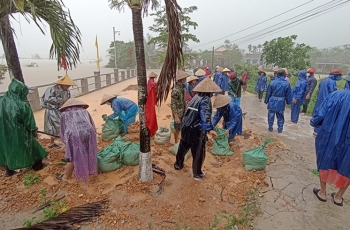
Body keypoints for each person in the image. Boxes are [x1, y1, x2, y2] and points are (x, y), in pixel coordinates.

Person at [0, 79, 48, 177]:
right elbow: (30, 124)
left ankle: (9, 171)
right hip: (17, 132)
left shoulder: (0, 100)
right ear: (20, 92)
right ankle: (38, 166)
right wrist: (34, 132)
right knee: (34, 148)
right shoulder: (22, 105)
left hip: (2, 132)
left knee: (6, 149)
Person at [174, 78, 220, 180]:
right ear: (210, 91)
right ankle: (197, 173)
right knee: (199, 152)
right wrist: (209, 129)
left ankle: (178, 165)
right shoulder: (206, 100)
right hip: (196, 131)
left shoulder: (196, 97)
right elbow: (205, 116)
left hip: (186, 127)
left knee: (182, 148)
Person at [310, 90, 350, 206]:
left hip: (330, 134)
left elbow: (321, 113)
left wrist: (314, 122)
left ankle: (322, 192)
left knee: (325, 159)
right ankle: (339, 196)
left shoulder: (336, 95)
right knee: (348, 166)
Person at [55, 98, 97, 184]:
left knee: (72, 156)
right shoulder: (84, 111)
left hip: (74, 136)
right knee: (87, 151)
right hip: (88, 133)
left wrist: (65, 140)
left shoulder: (65, 114)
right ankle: (89, 171)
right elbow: (91, 124)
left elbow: (63, 130)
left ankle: (66, 177)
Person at [41, 75, 75, 149]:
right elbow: (47, 99)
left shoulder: (67, 91)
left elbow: (68, 99)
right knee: (53, 127)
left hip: (61, 110)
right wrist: (61, 100)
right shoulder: (51, 89)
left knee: (64, 125)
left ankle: (65, 141)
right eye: (67, 85)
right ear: (62, 84)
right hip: (52, 111)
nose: (68, 87)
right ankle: (52, 142)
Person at [312, 69, 343, 136]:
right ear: (336, 75)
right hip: (327, 102)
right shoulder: (332, 82)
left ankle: (315, 131)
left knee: (319, 115)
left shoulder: (323, 81)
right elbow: (333, 93)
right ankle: (320, 132)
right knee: (326, 117)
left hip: (320, 101)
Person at [170, 71, 190, 143]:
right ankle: (176, 141)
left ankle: (180, 139)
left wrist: (186, 106)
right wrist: (176, 116)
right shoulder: (175, 90)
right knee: (177, 128)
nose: (186, 79)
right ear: (181, 79)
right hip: (178, 112)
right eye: (185, 78)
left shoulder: (183, 87)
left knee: (183, 126)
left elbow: (184, 99)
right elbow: (173, 104)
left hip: (183, 110)